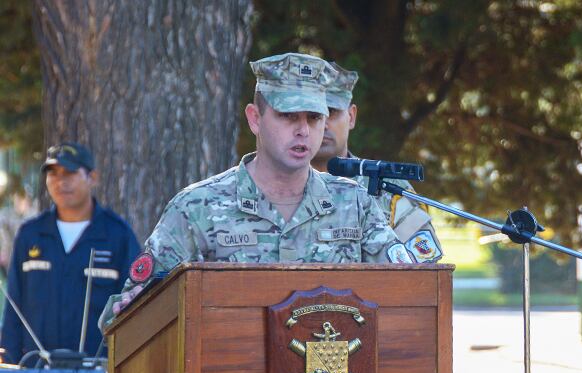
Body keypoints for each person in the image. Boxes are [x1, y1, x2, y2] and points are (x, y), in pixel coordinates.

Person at [101, 53, 412, 326]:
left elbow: (408, 293)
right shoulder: (196, 208)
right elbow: (127, 316)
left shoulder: (355, 204)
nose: (303, 129)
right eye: (288, 116)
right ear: (254, 118)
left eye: (315, 117)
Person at [1, 143, 140, 373]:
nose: (60, 181)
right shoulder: (30, 234)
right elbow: (13, 311)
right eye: (53, 173)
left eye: (70, 173)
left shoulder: (117, 235)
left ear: (93, 178)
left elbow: (134, 309)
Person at [312, 61, 442, 263]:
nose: (323, 123)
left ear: (351, 116)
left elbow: (422, 272)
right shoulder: (271, 186)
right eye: (313, 115)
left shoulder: (391, 190)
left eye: (332, 111)